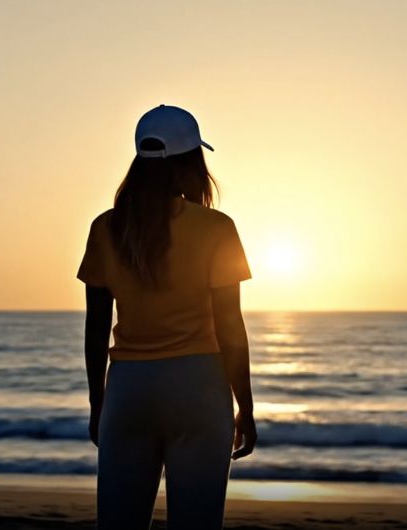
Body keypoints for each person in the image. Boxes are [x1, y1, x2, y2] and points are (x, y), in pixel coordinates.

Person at [76, 104, 257, 530]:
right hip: (197, 387)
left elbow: (96, 327)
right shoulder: (216, 227)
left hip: (128, 389)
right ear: (193, 161)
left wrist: (98, 401)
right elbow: (230, 327)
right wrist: (244, 407)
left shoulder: (107, 227)